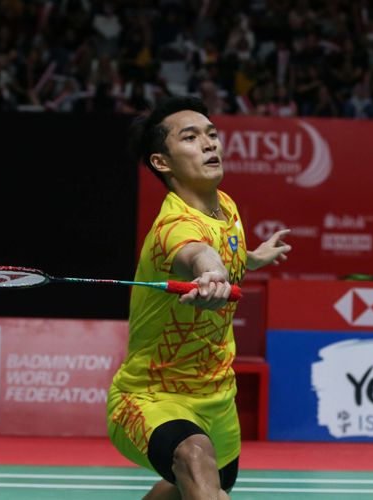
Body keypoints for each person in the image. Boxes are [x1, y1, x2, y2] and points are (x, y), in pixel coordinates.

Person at [108, 96, 291, 500]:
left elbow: (224, 251)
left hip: (217, 399)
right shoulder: (172, 227)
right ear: (162, 162)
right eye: (191, 138)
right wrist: (212, 275)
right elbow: (197, 253)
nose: (210, 144)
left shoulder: (224, 206)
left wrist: (252, 258)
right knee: (192, 456)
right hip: (150, 398)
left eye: (211, 134)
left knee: (189, 486)